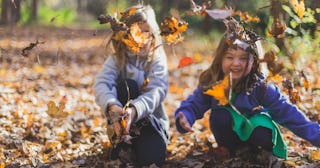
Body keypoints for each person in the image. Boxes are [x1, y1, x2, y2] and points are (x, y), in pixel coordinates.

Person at [175, 18, 320, 161]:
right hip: (229, 138)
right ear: (220, 59)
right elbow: (194, 104)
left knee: (261, 127)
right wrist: (186, 116)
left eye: (243, 58)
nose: (236, 63)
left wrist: (317, 136)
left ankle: (259, 153)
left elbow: (288, 113)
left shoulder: (260, 86)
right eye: (230, 57)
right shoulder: (213, 82)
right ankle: (233, 152)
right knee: (220, 116)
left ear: (254, 61)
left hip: (257, 136)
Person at [94, 4, 169, 167]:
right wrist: (112, 106)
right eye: (134, 32)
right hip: (120, 124)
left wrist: (135, 110)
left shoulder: (156, 58)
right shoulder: (117, 59)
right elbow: (101, 84)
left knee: (152, 160)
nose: (140, 38)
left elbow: (158, 90)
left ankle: (144, 146)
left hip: (151, 123)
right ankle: (122, 144)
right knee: (127, 85)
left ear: (153, 34)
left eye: (146, 32)